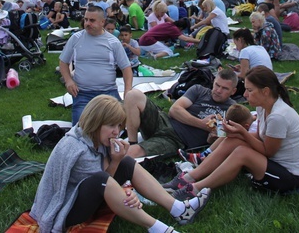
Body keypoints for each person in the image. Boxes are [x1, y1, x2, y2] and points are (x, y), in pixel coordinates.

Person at [30, 96, 210, 232]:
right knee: (102, 177)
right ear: (96, 122)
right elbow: (104, 181)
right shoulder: (76, 148)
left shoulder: (95, 138)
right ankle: (159, 228)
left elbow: (107, 178)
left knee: (126, 161)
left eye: (119, 126)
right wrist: (125, 191)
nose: (116, 132)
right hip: (67, 208)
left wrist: (118, 162)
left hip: (88, 192)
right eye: (111, 126)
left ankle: (178, 208)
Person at [163, 67, 299, 199]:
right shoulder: (263, 107)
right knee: (233, 139)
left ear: (265, 91)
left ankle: (195, 189)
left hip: (290, 176)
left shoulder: (278, 116)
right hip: (273, 163)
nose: (245, 95)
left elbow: (268, 151)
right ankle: (189, 177)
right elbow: (258, 136)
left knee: (241, 152)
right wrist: (235, 133)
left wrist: (242, 133)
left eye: (250, 91)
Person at [123, 69, 238, 158]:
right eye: (217, 85)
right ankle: (132, 141)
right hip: (164, 121)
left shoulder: (233, 110)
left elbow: (221, 138)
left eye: (224, 88)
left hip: (175, 140)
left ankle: (129, 150)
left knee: (132, 153)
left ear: (233, 91)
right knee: (133, 95)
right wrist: (202, 124)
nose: (218, 90)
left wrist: (212, 137)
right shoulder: (199, 90)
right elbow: (174, 110)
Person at [59, 6, 132, 125]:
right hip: (82, 93)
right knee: (81, 128)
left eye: (92, 20)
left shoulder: (113, 42)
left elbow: (126, 68)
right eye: (86, 19)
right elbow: (63, 62)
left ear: (102, 22)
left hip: (108, 92)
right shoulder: (76, 38)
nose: (87, 23)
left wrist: (128, 89)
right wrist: (69, 81)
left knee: (118, 125)